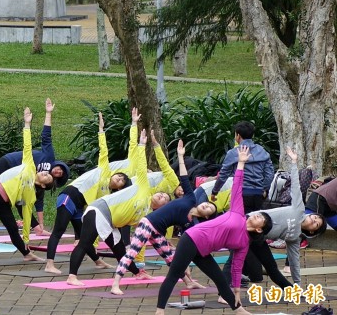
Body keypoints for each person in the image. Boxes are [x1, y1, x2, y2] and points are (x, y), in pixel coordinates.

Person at [155, 146, 272, 315]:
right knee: (174, 274)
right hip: (192, 238)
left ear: (260, 229)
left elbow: (237, 267)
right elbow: (237, 186)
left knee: (220, 280)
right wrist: (240, 163)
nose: (255, 215)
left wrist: (238, 290)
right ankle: (160, 310)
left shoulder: (244, 242)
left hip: (202, 250)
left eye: (260, 218)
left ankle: (239, 310)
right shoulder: (238, 213)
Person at [66, 129, 176, 286]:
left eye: (165, 199)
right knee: (85, 243)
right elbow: (140, 166)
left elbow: (144, 236)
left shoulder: (146, 215)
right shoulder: (144, 188)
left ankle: (138, 273)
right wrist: (141, 145)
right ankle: (72, 276)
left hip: (110, 223)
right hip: (99, 211)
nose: (162, 196)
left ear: (162, 207)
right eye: (162, 194)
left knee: (120, 251)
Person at [217, 147, 327, 304]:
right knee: (234, 259)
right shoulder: (298, 208)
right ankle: (224, 294)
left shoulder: (294, 238)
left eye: (316, 224)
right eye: (315, 217)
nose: (313, 220)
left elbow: (294, 263)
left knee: (270, 269)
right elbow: (296, 186)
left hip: (258, 237)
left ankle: (292, 291)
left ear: (311, 231)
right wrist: (294, 162)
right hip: (248, 224)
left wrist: (298, 284)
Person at [111, 139, 217, 295]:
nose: (206, 206)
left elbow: (188, 243)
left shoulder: (192, 224)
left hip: (157, 231)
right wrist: (181, 157)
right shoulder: (190, 198)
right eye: (207, 204)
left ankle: (188, 282)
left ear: (207, 217)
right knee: (132, 252)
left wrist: (187, 260)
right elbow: (183, 176)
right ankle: (115, 284)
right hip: (148, 223)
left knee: (169, 256)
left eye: (209, 209)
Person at [44, 110, 138, 274]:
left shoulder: (107, 195)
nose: (119, 179)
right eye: (119, 177)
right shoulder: (104, 170)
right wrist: (102, 129)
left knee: (85, 236)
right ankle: (49, 264)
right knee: (58, 230)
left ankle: (97, 261)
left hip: (79, 207)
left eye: (122, 181)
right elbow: (105, 150)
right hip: (69, 196)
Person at [0, 107, 53, 266]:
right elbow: (27, 146)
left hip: (3, 200)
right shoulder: (30, 166)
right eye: (46, 173)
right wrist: (27, 124)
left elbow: (26, 215)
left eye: (47, 177)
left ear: (42, 185)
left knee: (13, 228)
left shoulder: (30, 194)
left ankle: (27, 254)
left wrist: (27, 238)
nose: (45, 173)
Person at [0, 98, 70, 236]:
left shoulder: (42, 180)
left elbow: (39, 201)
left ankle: (37, 228)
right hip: (8, 163)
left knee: (22, 202)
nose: (57, 171)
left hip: (17, 178)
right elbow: (46, 136)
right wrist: (48, 113)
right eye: (60, 169)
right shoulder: (49, 157)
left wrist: (42, 223)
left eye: (59, 175)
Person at [212, 121, 274, 284]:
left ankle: (233, 274)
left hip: (240, 197)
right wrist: (264, 188)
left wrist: (215, 191)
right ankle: (254, 272)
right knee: (254, 234)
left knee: (239, 234)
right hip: (257, 196)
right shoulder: (262, 151)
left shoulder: (234, 152)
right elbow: (270, 173)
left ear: (237, 136)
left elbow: (223, 174)